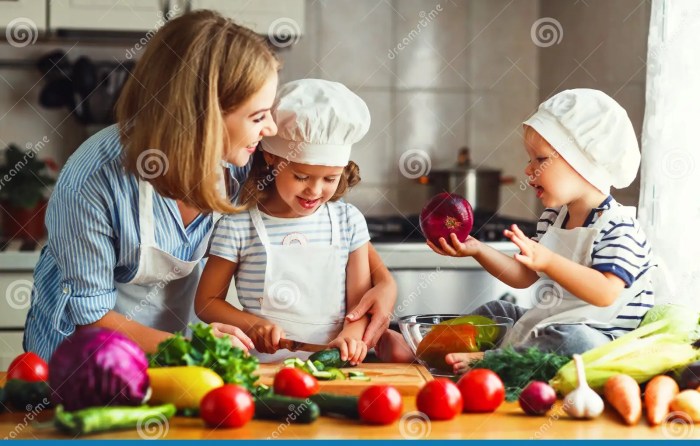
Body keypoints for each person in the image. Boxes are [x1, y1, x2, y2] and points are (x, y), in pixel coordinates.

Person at [23, 11, 396, 361]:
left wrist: (384, 282)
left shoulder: (242, 159)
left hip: (170, 357)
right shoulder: (94, 181)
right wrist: (194, 347)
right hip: (78, 363)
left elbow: (334, 227)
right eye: (257, 116)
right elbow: (92, 320)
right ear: (203, 116)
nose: (269, 129)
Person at [381, 88, 656, 373]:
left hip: (604, 340)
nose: (528, 170)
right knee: (498, 312)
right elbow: (523, 277)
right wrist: (477, 248)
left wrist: (548, 260)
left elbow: (605, 293)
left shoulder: (619, 227)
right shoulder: (554, 217)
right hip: (556, 323)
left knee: (573, 340)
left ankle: (492, 359)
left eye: (540, 159)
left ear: (583, 162)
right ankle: (422, 347)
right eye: (530, 159)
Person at [195, 79, 375, 364]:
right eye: (301, 177)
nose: (314, 191)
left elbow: (359, 307)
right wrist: (252, 325)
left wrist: (350, 337)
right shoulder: (237, 225)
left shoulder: (348, 222)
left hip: (333, 368)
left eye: (330, 179)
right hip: (260, 368)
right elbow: (206, 302)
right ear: (270, 158)